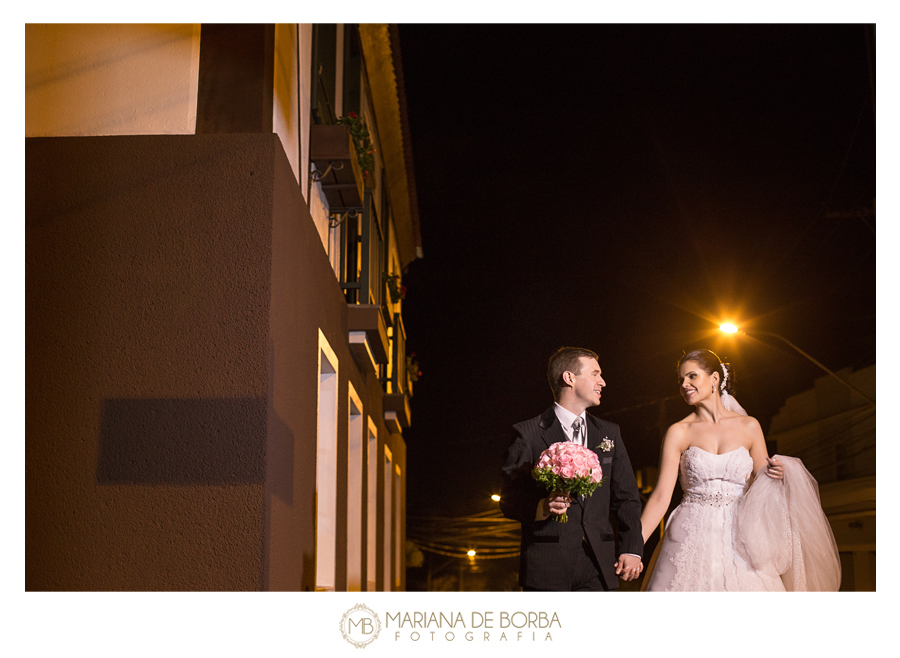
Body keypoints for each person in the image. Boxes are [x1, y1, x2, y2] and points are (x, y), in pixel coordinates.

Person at [640, 349, 841, 591]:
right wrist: (632, 546)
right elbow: (661, 497)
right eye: (681, 380)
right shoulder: (678, 432)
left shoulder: (749, 426)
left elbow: (763, 485)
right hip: (690, 533)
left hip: (742, 533)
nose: (684, 384)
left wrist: (780, 474)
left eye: (692, 376)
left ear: (714, 379)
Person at [500, 347, 644, 591]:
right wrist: (542, 507)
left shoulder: (610, 433)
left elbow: (627, 498)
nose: (603, 382)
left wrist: (632, 548)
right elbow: (510, 500)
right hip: (547, 566)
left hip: (599, 564)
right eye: (595, 374)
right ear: (569, 378)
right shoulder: (528, 434)